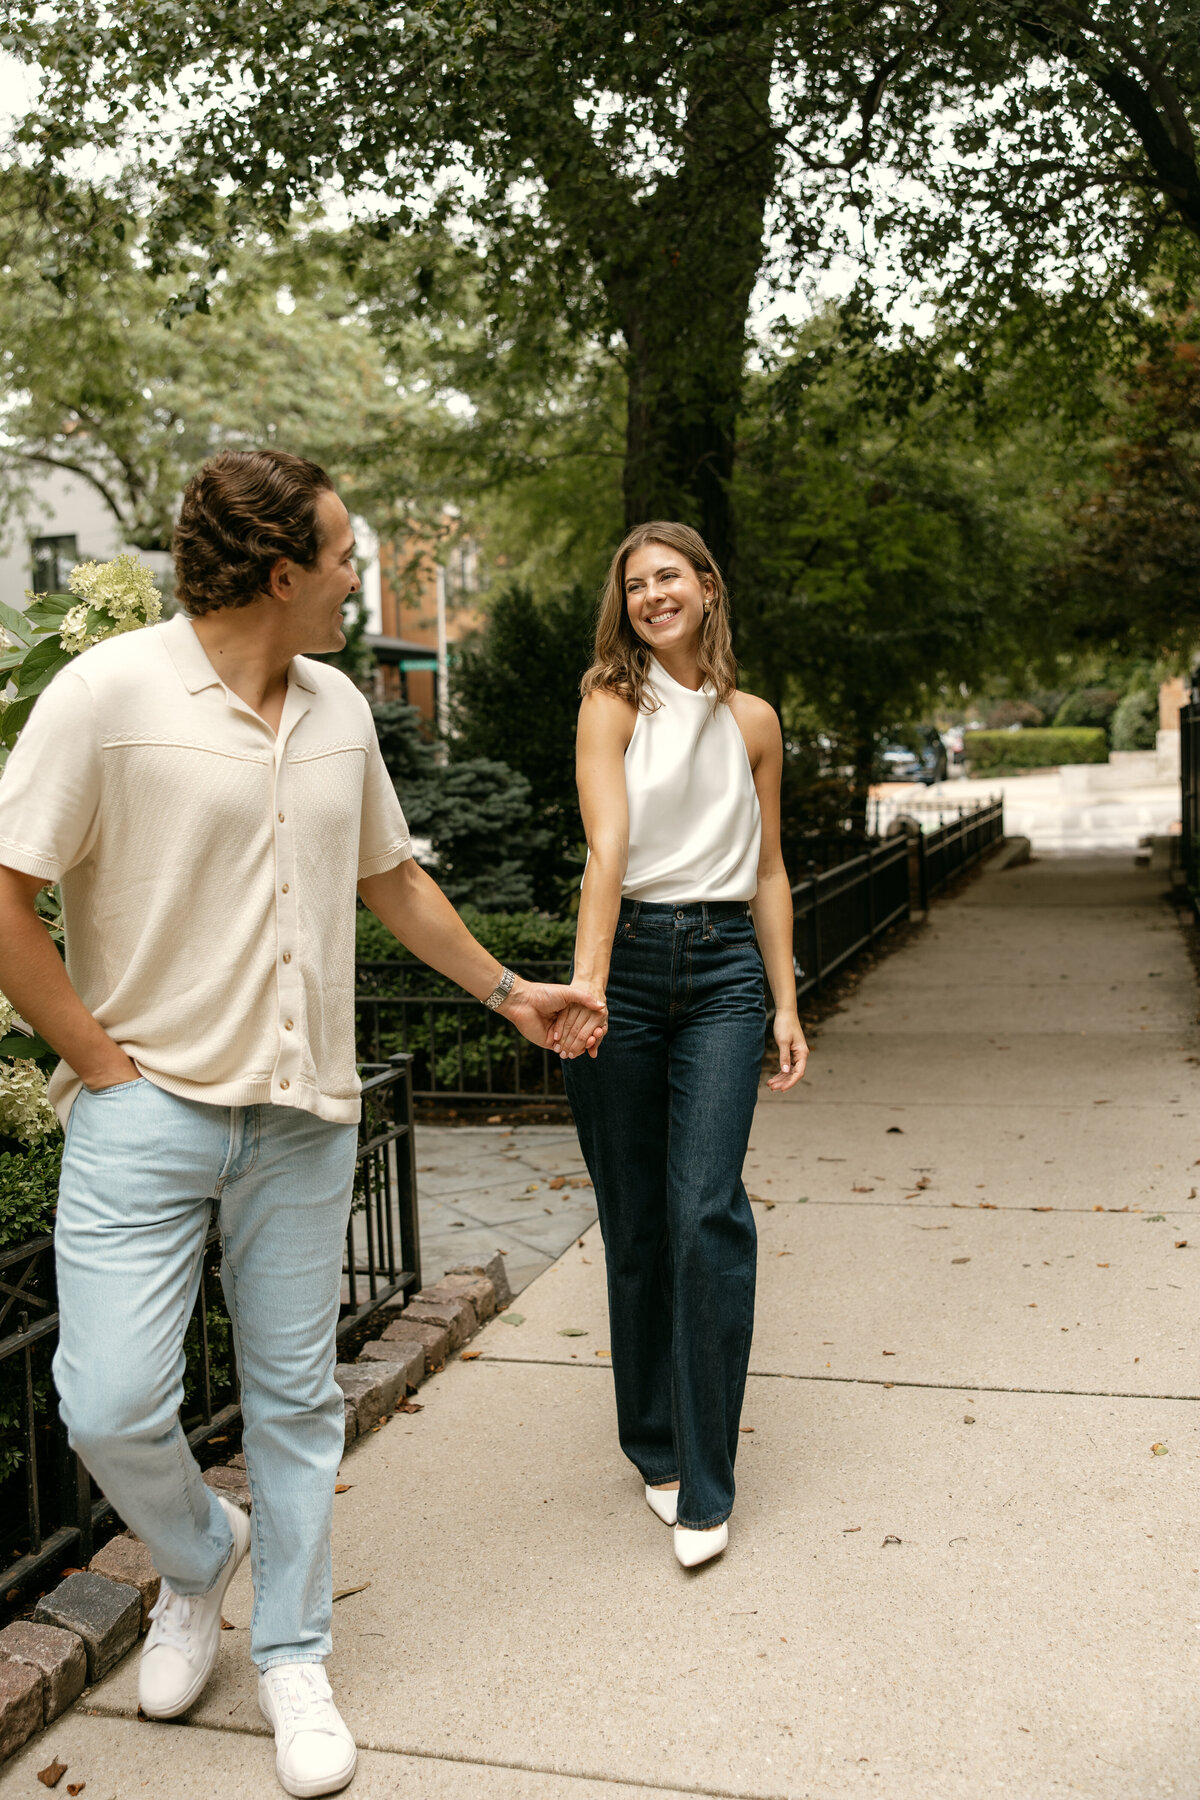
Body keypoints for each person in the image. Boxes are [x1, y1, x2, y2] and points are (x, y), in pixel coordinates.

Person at [0, 449, 602, 1798]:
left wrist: (511, 993)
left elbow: (388, 875)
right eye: (343, 557)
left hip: (303, 1117)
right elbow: (7, 890)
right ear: (283, 572)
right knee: (104, 1400)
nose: (354, 578)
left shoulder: (336, 703)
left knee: (292, 1402)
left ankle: (291, 1654)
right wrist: (99, 1063)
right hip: (142, 1107)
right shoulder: (105, 695)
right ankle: (199, 1557)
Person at [555, 521, 808, 1569]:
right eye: (636, 583)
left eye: (671, 576)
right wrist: (590, 984)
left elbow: (770, 871)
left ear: (707, 587)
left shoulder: (754, 719)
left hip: (722, 977)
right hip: (633, 961)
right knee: (637, 1222)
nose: (654, 594)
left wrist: (786, 1003)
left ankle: (708, 1477)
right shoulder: (611, 703)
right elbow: (607, 848)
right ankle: (652, 1443)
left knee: (706, 1210)